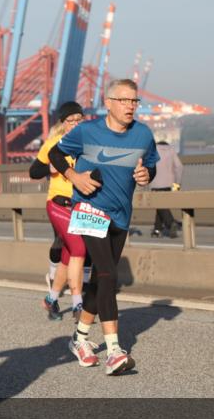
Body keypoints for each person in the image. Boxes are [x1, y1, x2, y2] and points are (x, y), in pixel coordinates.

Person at [48, 78, 159, 375]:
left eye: (134, 101)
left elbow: (151, 165)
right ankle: (114, 350)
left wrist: (147, 175)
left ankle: (79, 339)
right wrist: (74, 177)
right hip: (90, 209)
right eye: (124, 100)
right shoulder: (86, 130)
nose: (130, 107)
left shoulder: (143, 135)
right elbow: (54, 155)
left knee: (100, 279)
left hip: (121, 213)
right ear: (108, 103)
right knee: (109, 274)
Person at [30, 101, 87, 321]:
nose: (74, 124)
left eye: (78, 119)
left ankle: (51, 299)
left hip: (80, 206)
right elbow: (34, 171)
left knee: (68, 255)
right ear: (62, 124)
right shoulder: (54, 144)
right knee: (79, 249)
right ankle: (77, 304)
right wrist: (51, 167)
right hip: (58, 203)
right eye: (69, 120)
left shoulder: (88, 144)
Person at [149, 140, 183, 238]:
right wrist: (177, 184)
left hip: (155, 184)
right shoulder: (171, 151)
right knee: (161, 207)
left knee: (160, 206)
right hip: (169, 184)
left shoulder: (152, 150)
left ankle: (170, 223)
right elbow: (179, 167)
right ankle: (157, 229)